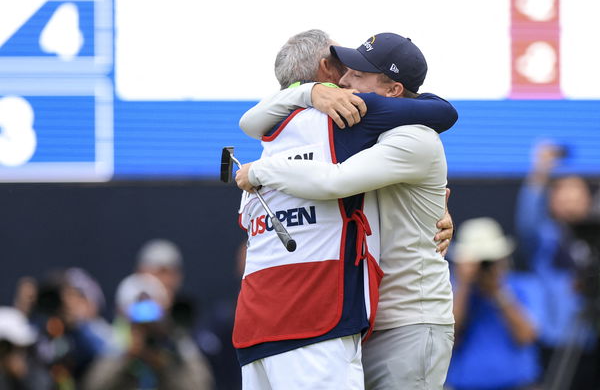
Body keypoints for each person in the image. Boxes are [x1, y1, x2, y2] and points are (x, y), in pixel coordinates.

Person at [236, 30, 456, 389]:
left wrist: (259, 172)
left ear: (393, 91)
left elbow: (334, 181)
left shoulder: (414, 135)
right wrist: (309, 92)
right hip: (368, 319)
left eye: (358, 73)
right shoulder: (360, 130)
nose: (343, 80)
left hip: (410, 319)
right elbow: (249, 122)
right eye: (344, 70)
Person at [515, 141, 599, 389]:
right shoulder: (544, 238)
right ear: (551, 201)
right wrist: (541, 169)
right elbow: (528, 217)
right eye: (564, 193)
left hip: (592, 341)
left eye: (578, 194)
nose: (572, 201)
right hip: (556, 343)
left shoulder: (593, 241)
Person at [446, 217, 543, 390]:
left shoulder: (523, 286)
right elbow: (447, 336)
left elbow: (527, 336)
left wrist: (499, 292)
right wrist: (465, 287)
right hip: (464, 385)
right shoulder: (450, 290)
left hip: (517, 384)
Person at [83, 273, 214, 390]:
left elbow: (201, 386)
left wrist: (166, 362)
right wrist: (126, 357)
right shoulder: (113, 344)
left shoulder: (177, 346)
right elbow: (92, 386)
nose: (145, 328)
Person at [0, 307, 52, 390]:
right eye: (16, 348)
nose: (21, 355)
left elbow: (43, 384)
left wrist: (22, 376)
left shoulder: (31, 371)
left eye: (22, 348)